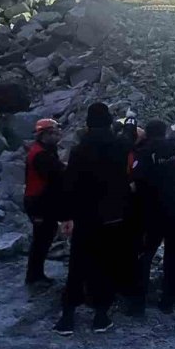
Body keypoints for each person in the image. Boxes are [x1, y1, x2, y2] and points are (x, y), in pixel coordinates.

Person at [54, 102, 130, 336]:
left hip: (85, 216)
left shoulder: (79, 150)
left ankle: (67, 317)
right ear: (108, 122)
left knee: (78, 265)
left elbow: (69, 185)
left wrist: (65, 215)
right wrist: (129, 119)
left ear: (88, 124)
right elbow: (129, 135)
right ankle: (100, 316)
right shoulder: (119, 145)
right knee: (106, 264)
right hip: (112, 216)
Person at [130, 119, 175, 314]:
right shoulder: (173, 148)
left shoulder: (145, 151)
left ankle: (138, 302)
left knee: (145, 255)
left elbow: (137, 176)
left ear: (147, 133)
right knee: (172, 255)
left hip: (152, 210)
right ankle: (168, 301)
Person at [24, 118, 65, 286]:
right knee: (41, 238)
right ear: (44, 134)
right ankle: (34, 276)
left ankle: (36, 273)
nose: (58, 136)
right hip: (38, 202)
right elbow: (55, 175)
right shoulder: (41, 154)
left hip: (41, 200)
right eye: (54, 133)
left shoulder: (45, 150)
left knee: (45, 236)